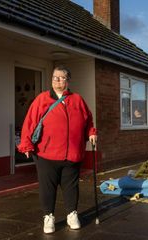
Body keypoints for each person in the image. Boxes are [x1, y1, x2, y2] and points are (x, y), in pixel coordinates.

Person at [17, 66, 97, 234]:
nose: (57, 80)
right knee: (48, 188)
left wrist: (91, 133)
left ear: (68, 80)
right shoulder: (42, 99)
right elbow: (30, 122)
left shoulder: (77, 100)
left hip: (72, 154)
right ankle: (48, 217)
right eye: (54, 77)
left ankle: (71, 214)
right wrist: (26, 144)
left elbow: (88, 120)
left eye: (61, 78)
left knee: (71, 187)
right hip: (46, 154)